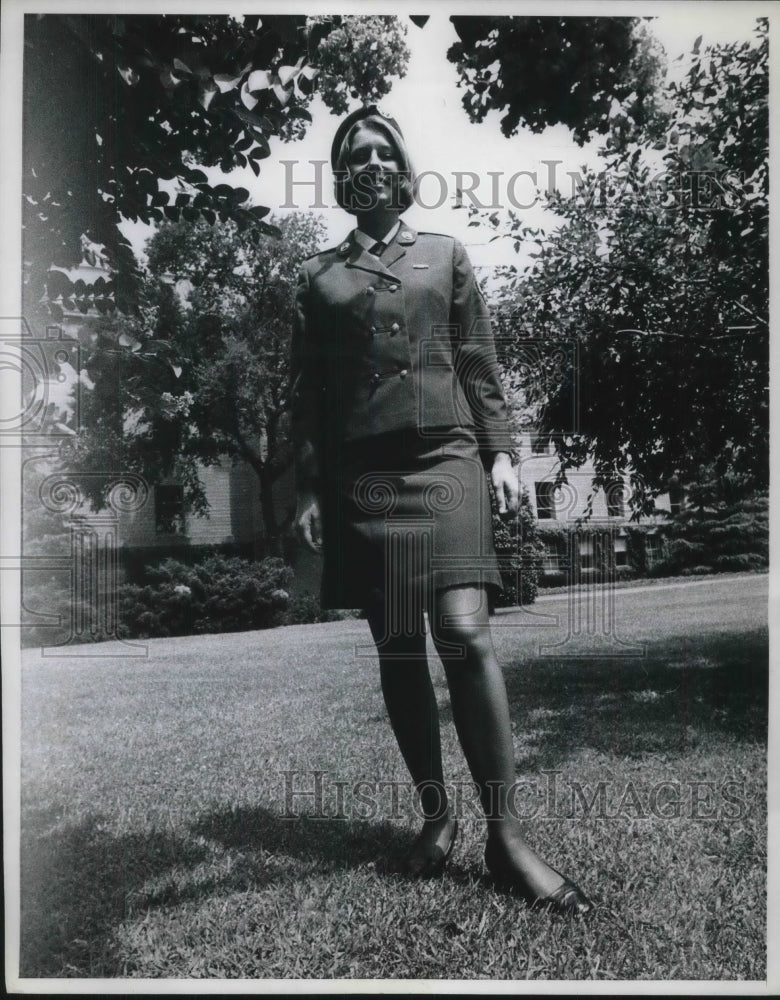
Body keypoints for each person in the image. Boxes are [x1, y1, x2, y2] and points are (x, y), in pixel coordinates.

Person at [290, 105, 592, 916]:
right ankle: (436, 819)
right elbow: (310, 394)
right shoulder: (319, 280)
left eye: (383, 150)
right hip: (367, 475)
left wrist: (500, 452)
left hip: (446, 460)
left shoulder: (445, 255)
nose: (371, 164)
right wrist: (312, 485)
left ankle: (508, 839)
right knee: (398, 648)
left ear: (402, 165)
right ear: (342, 175)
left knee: (462, 632)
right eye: (355, 154)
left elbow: (479, 364)